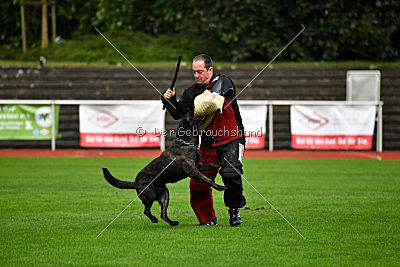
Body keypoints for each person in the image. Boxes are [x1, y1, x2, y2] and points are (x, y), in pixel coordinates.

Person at [161, 54, 246, 226]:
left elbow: (210, 101)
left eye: (200, 71)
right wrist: (168, 100)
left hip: (232, 139)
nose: (196, 75)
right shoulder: (191, 92)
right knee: (198, 182)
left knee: (230, 173)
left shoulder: (224, 82)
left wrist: (193, 106)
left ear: (210, 70)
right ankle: (207, 219)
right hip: (208, 142)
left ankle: (234, 209)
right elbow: (178, 113)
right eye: (194, 72)